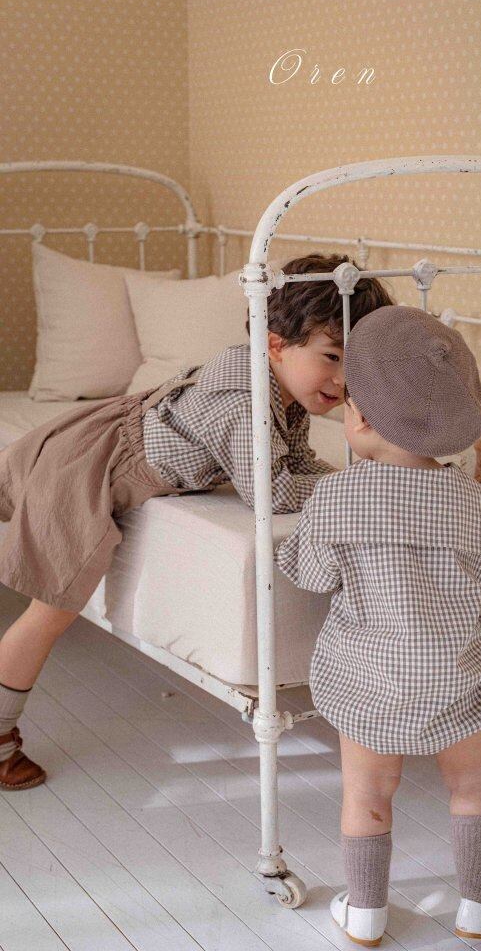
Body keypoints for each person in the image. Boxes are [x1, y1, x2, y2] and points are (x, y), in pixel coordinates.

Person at [0, 252, 394, 792]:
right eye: (332, 357)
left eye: (356, 364)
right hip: (91, 467)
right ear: (276, 344)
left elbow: (299, 463)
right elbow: (276, 492)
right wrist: (360, 487)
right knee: (52, 610)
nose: (343, 380)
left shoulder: (284, 389)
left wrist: (364, 478)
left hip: (117, 435)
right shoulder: (243, 403)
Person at [275, 305, 481, 946]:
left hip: (369, 677)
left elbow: (311, 573)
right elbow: (476, 568)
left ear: (360, 419)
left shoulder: (337, 496)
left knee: (367, 795)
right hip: (457, 671)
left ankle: (365, 912)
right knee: (474, 788)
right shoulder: (475, 503)